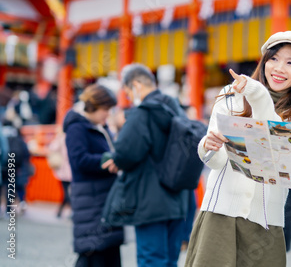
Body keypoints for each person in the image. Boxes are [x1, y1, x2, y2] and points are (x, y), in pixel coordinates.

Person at [185, 30, 291, 267]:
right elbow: (216, 160)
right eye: (273, 59)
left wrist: (258, 95)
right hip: (220, 214)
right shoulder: (230, 96)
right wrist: (208, 146)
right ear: (264, 62)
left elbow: (272, 154)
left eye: (289, 63)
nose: (279, 68)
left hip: (265, 223)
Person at [101, 63, 189, 267]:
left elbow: (125, 151)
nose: (130, 97)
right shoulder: (176, 109)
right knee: (169, 260)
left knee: (151, 259)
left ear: (137, 85)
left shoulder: (143, 113)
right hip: (178, 199)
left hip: (150, 200)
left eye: (128, 92)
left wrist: (115, 160)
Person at [63, 84, 123, 267]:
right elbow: (79, 160)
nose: (108, 114)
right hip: (90, 195)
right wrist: (106, 160)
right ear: (94, 106)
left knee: (107, 249)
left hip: (103, 194)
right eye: (106, 109)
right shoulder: (77, 128)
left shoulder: (100, 128)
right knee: (93, 250)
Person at [47, 127, 72, 218]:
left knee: (66, 191)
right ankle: (64, 210)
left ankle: (64, 210)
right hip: (71, 169)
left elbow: (52, 148)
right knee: (68, 191)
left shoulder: (61, 138)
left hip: (64, 170)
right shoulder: (73, 137)